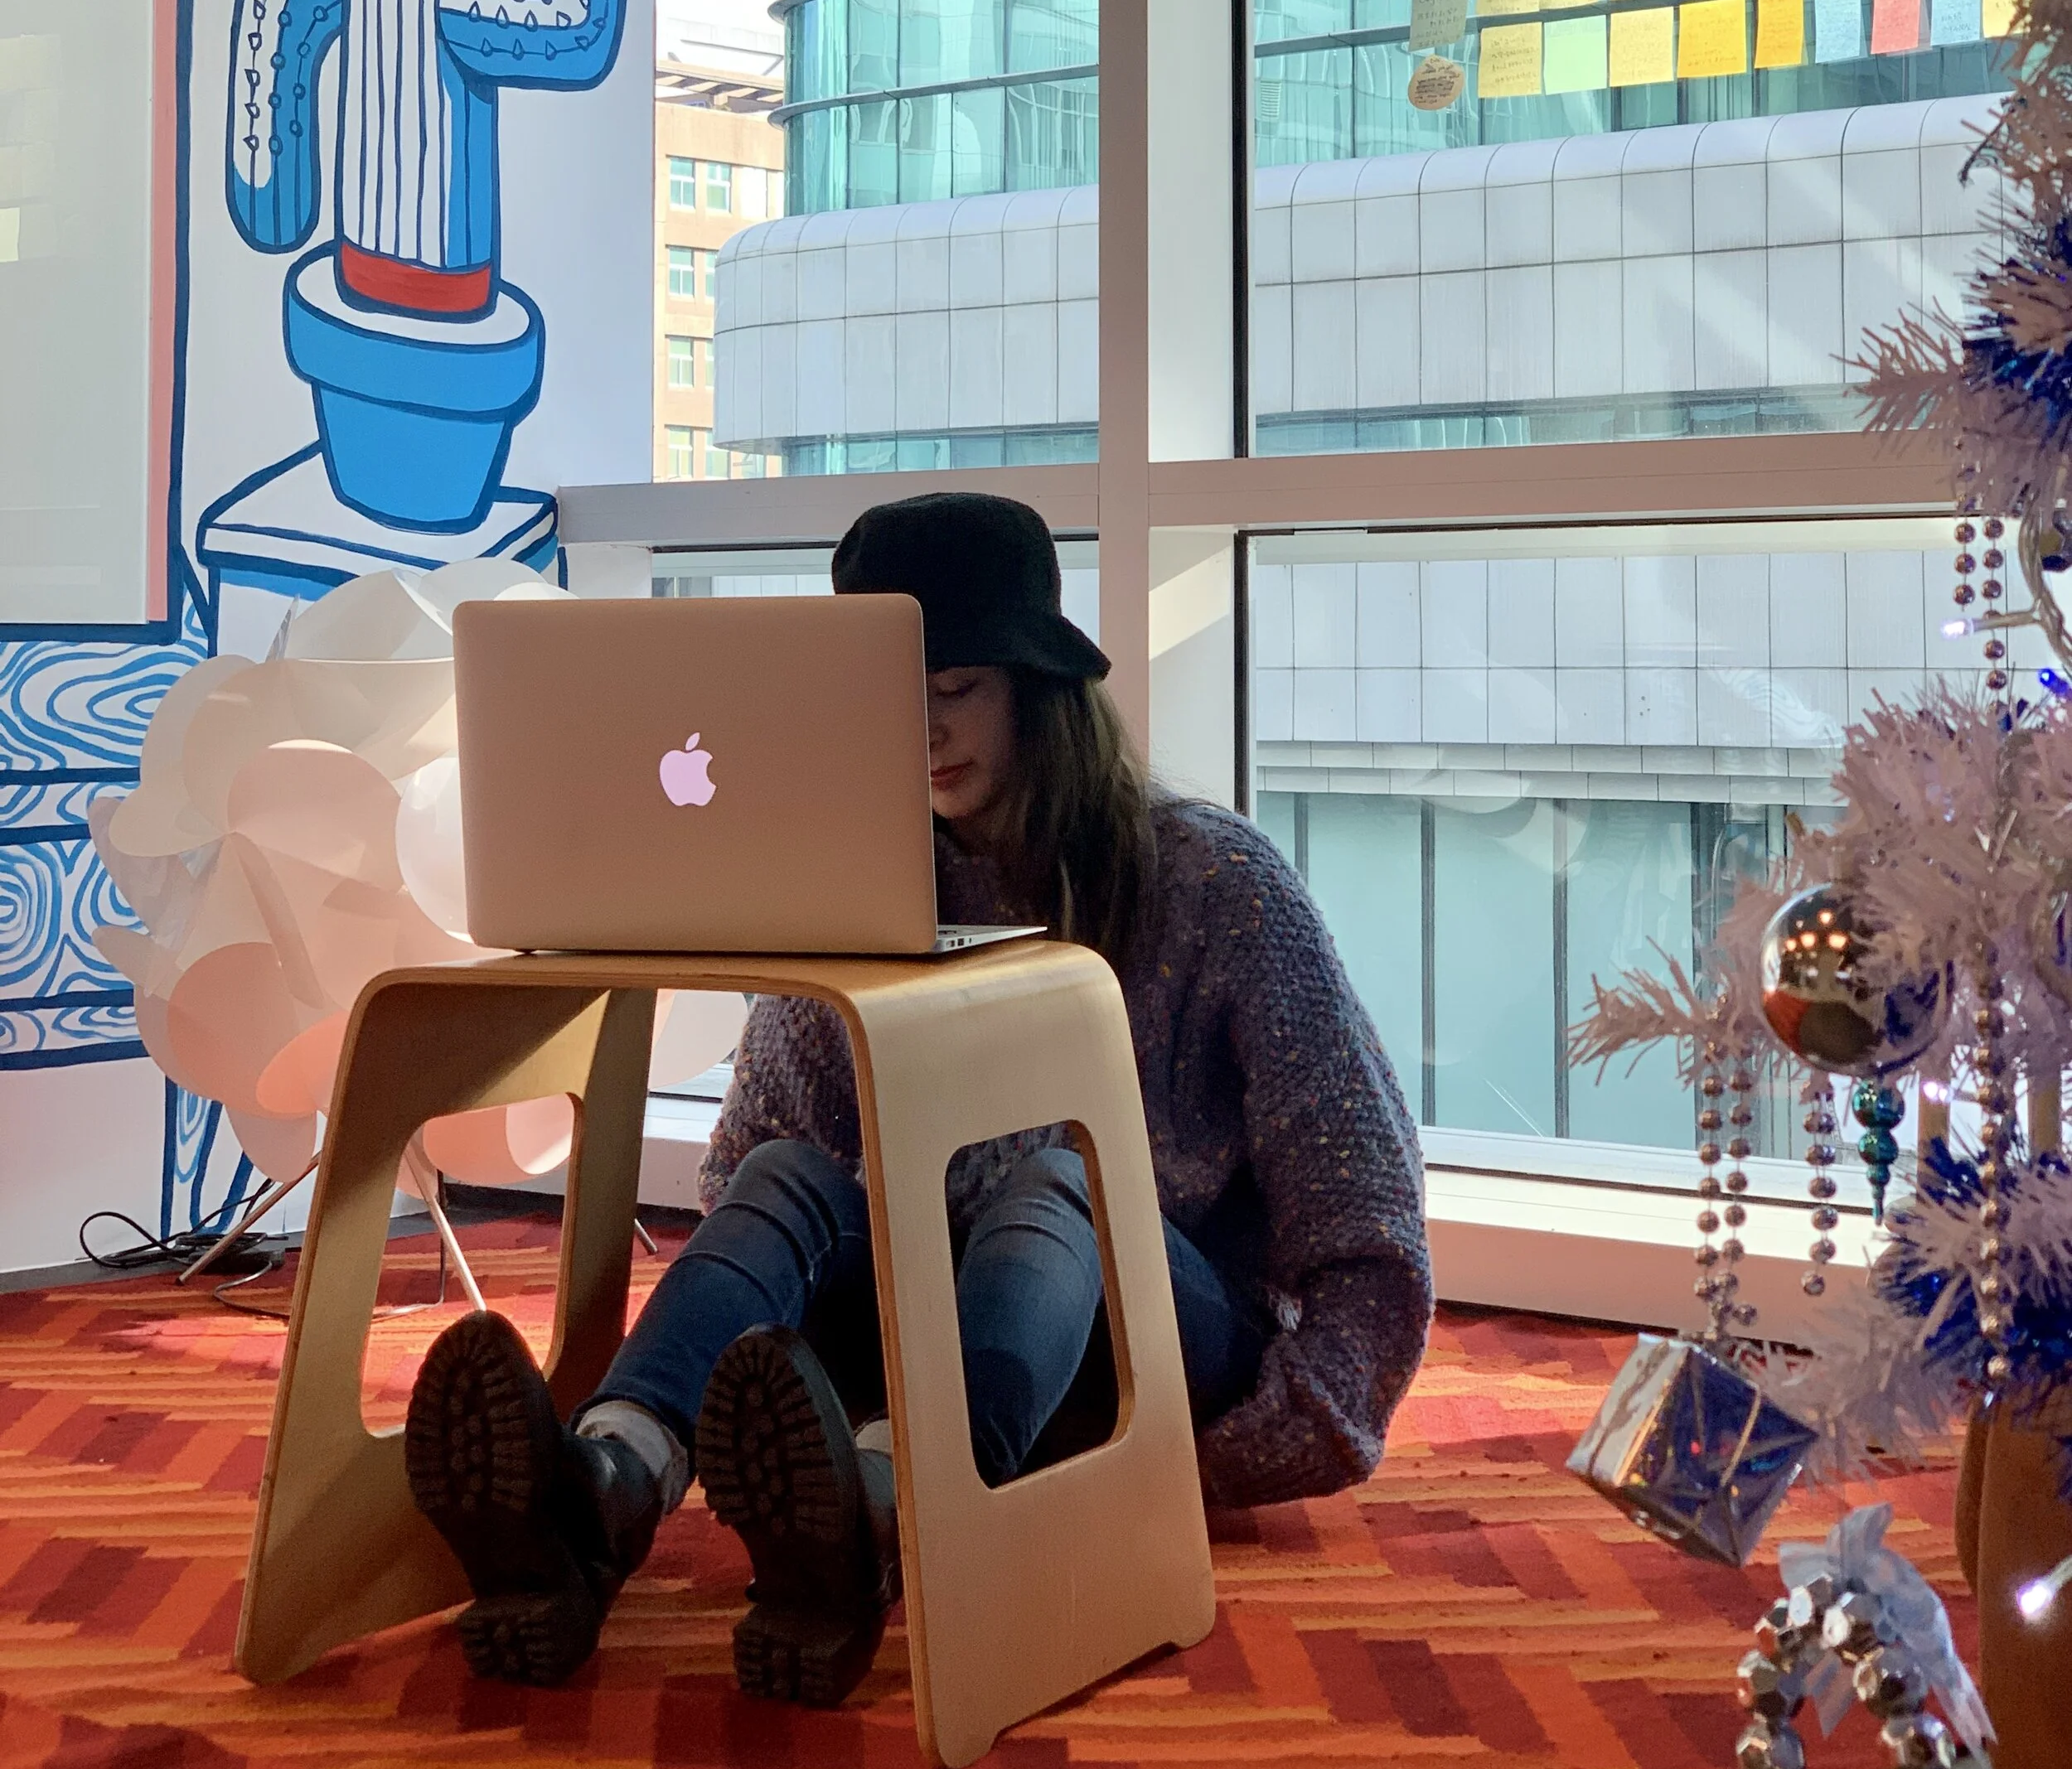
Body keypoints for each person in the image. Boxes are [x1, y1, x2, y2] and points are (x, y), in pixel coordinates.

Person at [404, 492, 1432, 1702]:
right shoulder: (858, 871)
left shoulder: (1215, 883)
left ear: (1038, 688)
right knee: (787, 1172)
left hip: (1139, 1341)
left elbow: (1366, 1219)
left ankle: (892, 1510)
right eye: (890, 698)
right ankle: (606, 1486)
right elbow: (752, 1171)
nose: (924, 731)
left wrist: (1233, 1449)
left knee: (1066, 1175)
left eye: (957, 691)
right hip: (922, 1347)